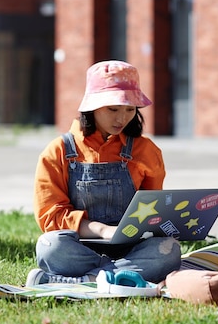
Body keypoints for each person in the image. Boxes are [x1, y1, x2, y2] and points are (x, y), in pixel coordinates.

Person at [26, 60, 181, 286]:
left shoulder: (146, 150)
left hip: (131, 246)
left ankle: (86, 280)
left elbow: (152, 207)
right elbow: (50, 216)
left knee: (169, 249)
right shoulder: (57, 151)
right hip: (79, 246)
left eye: (130, 109)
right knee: (49, 246)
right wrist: (102, 230)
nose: (122, 118)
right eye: (113, 109)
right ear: (91, 107)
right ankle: (118, 277)